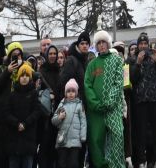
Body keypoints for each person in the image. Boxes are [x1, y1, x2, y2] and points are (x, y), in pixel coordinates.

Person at [81, 33, 123, 168]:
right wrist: (95, 104)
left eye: (103, 42)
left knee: (117, 137)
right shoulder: (92, 64)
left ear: (108, 43)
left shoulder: (116, 60)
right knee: (96, 141)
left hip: (113, 108)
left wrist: (110, 101)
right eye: (98, 43)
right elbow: (87, 85)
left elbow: (119, 82)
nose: (101, 45)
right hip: (96, 111)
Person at [50, 81, 84, 168]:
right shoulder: (62, 105)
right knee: (62, 163)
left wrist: (82, 136)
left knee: (73, 163)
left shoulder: (79, 105)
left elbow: (83, 122)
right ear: (65, 93)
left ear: (76, 93)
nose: (71, 93)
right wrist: (59, 117)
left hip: (75, 140)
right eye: (68, 91)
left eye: (73, 91)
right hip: (63, 140)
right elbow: (53, 120)